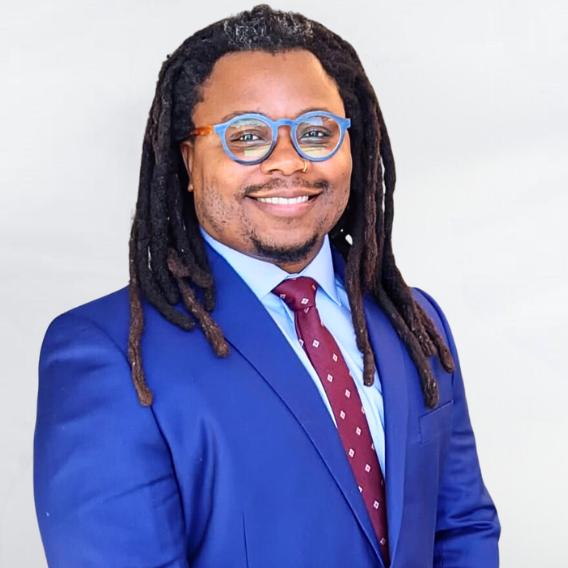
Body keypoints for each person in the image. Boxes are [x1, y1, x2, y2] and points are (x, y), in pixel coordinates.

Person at [33, 4, 500, 567]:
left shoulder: (417, 325)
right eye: (248, 135)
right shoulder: (106, 353)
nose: (289, 162)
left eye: (316, 131)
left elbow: (461, 528)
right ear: (188, 157)